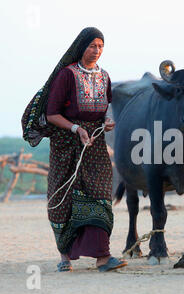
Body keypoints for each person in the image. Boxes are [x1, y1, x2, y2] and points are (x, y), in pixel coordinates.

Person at [35, 27, 126, 272]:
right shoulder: (67, 75)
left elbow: (104, 108)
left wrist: (106, 123)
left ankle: (103, 257)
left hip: (94, 146)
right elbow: (52, 114)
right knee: (63, 197)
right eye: (92, 46)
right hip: (66, 144)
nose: (96, 51)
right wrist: (76, 128)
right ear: (81, 47)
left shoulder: (104, 76)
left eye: (100, 46)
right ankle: (64, 257)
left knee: (100, 195)